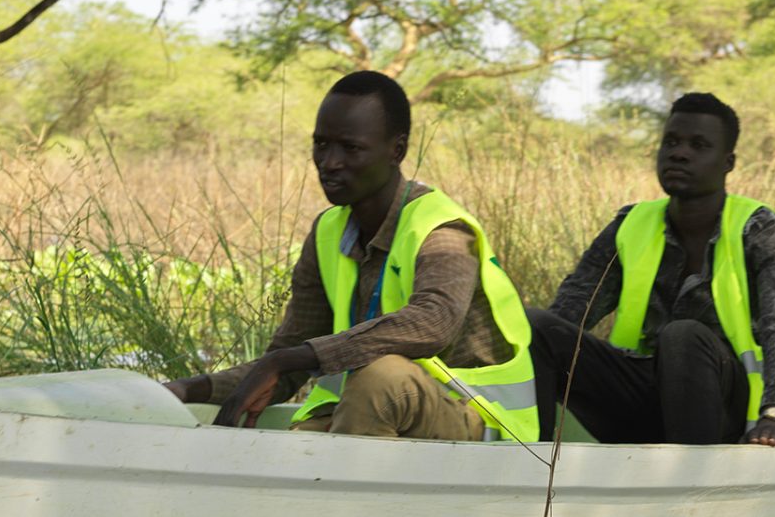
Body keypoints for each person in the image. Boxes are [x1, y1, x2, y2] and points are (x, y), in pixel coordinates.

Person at [161, 71, 538, 441]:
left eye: (350, 148)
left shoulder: (441, 228)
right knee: (299, 439)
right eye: (321, 144)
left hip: (476, 420)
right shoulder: (328, 231)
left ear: (397, 151)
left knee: (382, 378)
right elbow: (286, 362)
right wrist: (187, 390)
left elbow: (433, 322)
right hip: (370, 413)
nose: (329, 162)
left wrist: (292, 359)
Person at [527, 93, 775, 446]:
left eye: (698, 145)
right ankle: (532, 457)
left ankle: (689, 470)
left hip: (729, 408)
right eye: (671, 142)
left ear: (728, 162)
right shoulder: (631, 224)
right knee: (537, 326)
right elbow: (571, 310)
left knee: (682, 336)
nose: (679, 153)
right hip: (643, 398)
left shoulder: (764, 232)